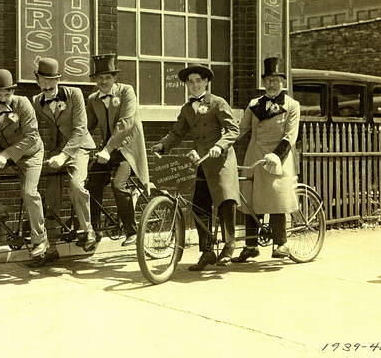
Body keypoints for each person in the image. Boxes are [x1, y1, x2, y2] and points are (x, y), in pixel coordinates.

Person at [151, 64, 240, 270]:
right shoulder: (186, 109)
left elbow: (233, 129)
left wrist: (220, 145)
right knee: (199, 204)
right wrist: (163, 145)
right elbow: (177, 133)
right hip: (201, 161)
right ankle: (207, 251)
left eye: (198, 81)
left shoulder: (218, 103)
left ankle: (229, 246)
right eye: (190, 82)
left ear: (206, 82)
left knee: (226, 199)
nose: (194, 85)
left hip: (222, 158)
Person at [0, 69, 50, 263]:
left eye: (8, 94)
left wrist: (6, 155)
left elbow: (32, 137)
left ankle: (40, 240)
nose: (4, 99)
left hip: (31, 154)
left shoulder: (23, 104)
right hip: (2, 154)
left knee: (29, 192)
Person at [232, 57, 301, 262]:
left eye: (275, 80)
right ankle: (251, 246)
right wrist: (222, 143)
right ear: (263, 82)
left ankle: (281, 243)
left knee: (275, 199)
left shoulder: (292, 105)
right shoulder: (254, 105)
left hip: (278, 157)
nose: (271, 84)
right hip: (254, 156)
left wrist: (276, 156)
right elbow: (241, 129)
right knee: (250, 201)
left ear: (283, 82)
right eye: (268, 80)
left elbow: (290, 136)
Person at [32, 57, 97, 264]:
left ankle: (88, 231)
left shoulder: (74, 94)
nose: (48, 85)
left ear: (58, 79)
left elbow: (80, 129)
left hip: (79, 148)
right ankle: (51, 247)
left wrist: (64, 155)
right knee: (50, 197)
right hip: (55, 151)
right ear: (38, 80)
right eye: (44, 80)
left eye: (52, 80)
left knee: (76, 185)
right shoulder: (36, 101)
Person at [85, 54, 149, 246]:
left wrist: (107, 149)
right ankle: (93, 232)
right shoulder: (93, 99)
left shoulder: (126, 92)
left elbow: (126, 124)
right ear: (95, 80)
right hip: (107, 150)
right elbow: (87, 125)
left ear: (114, 78)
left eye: (108, 77)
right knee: (91, 185)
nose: (104, 81)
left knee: (118, 184)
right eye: (100, 78)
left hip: (128, 149)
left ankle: (132, 231)